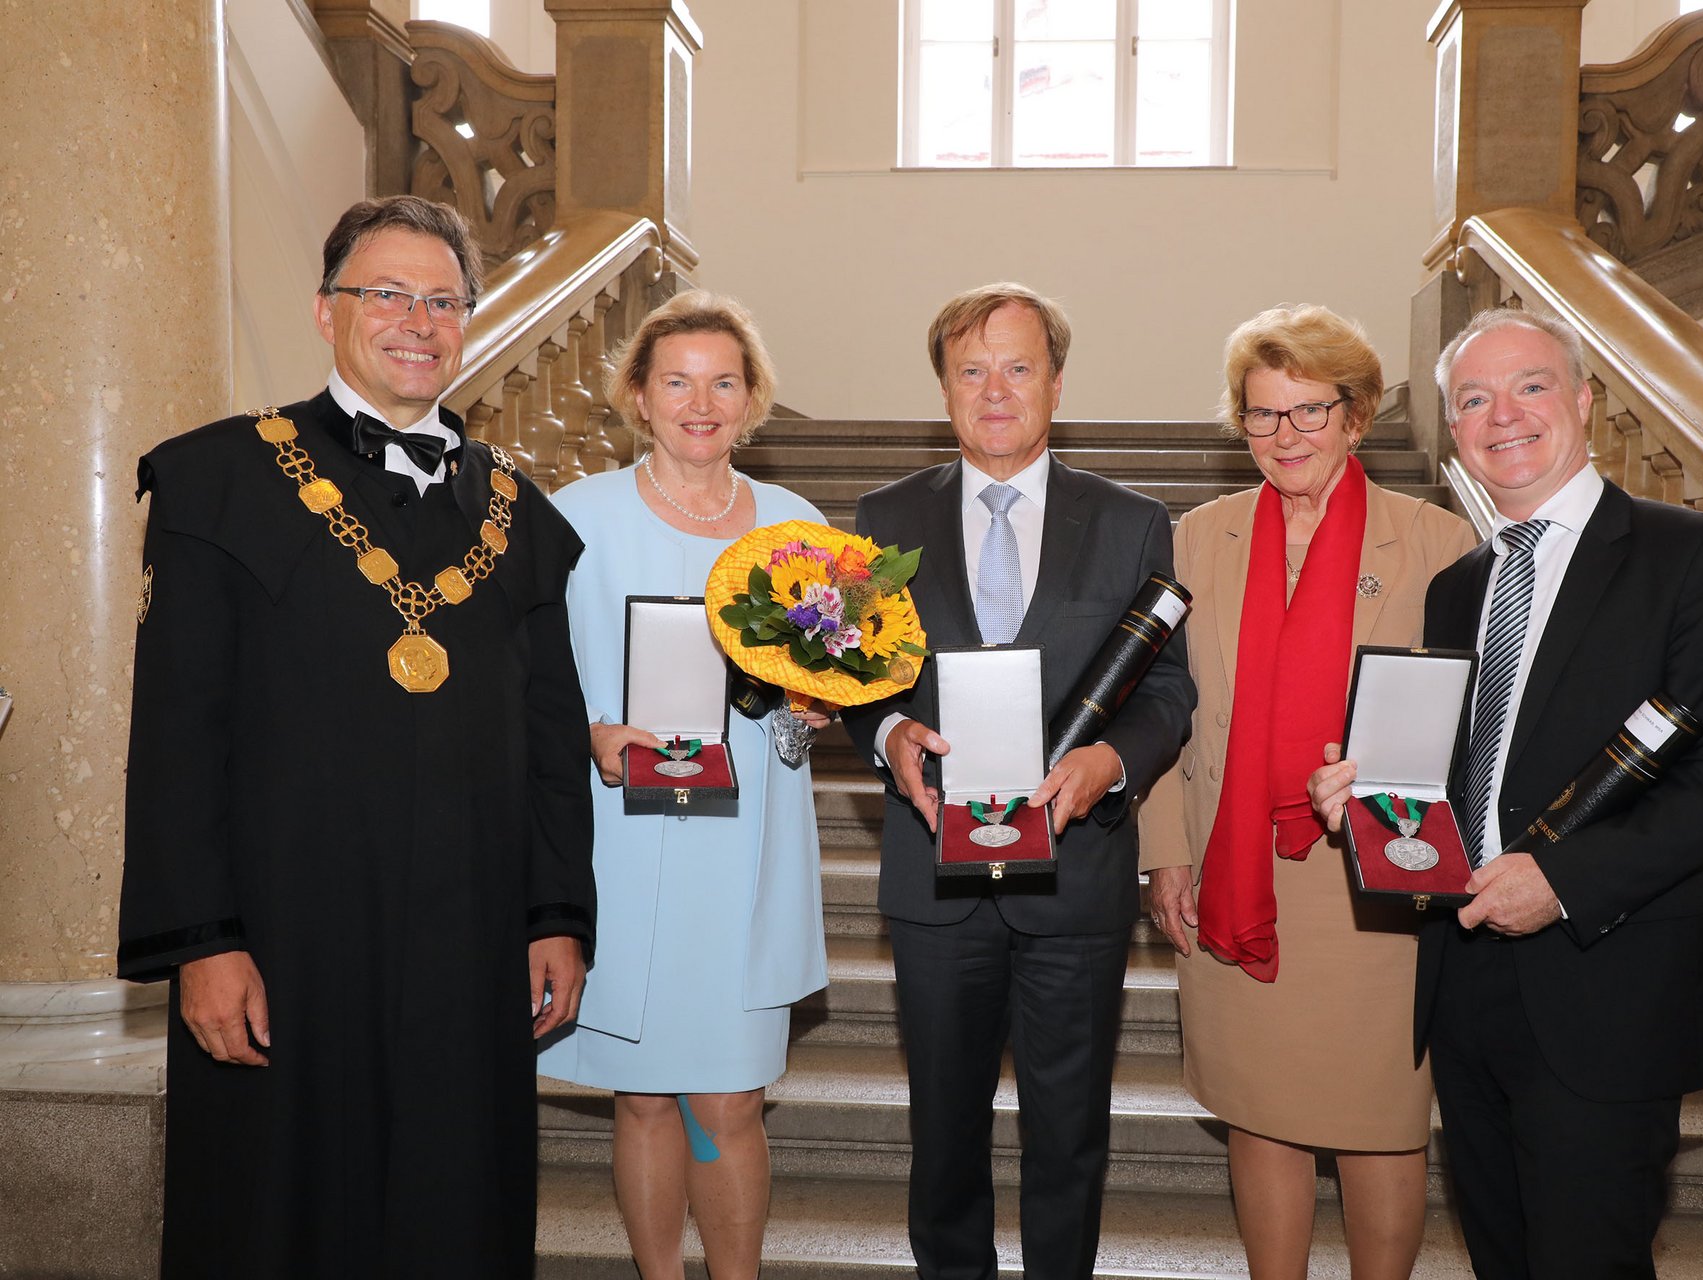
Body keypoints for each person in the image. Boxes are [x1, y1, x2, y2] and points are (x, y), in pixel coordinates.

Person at [118, 194, 596, 1278]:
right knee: (276, 1211)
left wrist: (556, 913)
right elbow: (180, 729)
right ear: (326, 312)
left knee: (454, 1203)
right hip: (284, 937)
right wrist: (203, 938)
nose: (416, 320)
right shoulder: (219, 478)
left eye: (442, 299)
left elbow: (549, 736)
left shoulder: (519, 513)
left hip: (472, 944)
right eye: (385, 293)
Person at [1310, 308, 1703, 1279]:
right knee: (1503, 1254)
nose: (1502, 414)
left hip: (1606, 981)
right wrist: (1377, 788)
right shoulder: (1458, 586)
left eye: (1529, 385)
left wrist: (1562, 879)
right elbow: (1464, 771)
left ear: (1584, 401)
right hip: (1467, 978)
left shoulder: (1693, 554)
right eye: (1472, 398)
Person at [839, 282, 1196, 1280]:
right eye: (971, 370)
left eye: (1018, 366)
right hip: (933, 874)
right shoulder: (881, 515)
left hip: (1073, 875)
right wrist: (887, 730)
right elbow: (854, 676)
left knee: (1069, 1131)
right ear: (944, 387)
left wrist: (1108, 761)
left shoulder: (1130, 521)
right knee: (942, 1129)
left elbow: (1167, 687)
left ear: (1057, 381)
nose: (995, 390)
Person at [1136, 305, 1477, 1279]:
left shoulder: (1439, 541)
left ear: (1359, 413)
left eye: (1307, 412)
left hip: (1372, 876)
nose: (1284, 437)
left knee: (1380, 1117)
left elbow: (1476, 717)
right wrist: (1165, 851)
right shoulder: (1196, 538)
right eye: (1261, 416)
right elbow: (1165, 704)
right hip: (1229, 861)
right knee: (1260, 1105)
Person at [534, 290, 830, 1280]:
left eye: (723, 381)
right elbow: (526, 690)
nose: (701, 402)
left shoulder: (798, 528)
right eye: (677, 380)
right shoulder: (578, 520)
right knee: (648, 1095)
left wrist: (816, 703)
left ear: (751, 400)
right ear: (639, 395)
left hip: (745, 847)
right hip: (624, 839)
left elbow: (819, 682)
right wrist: (591, 733)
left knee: (729, 1099)